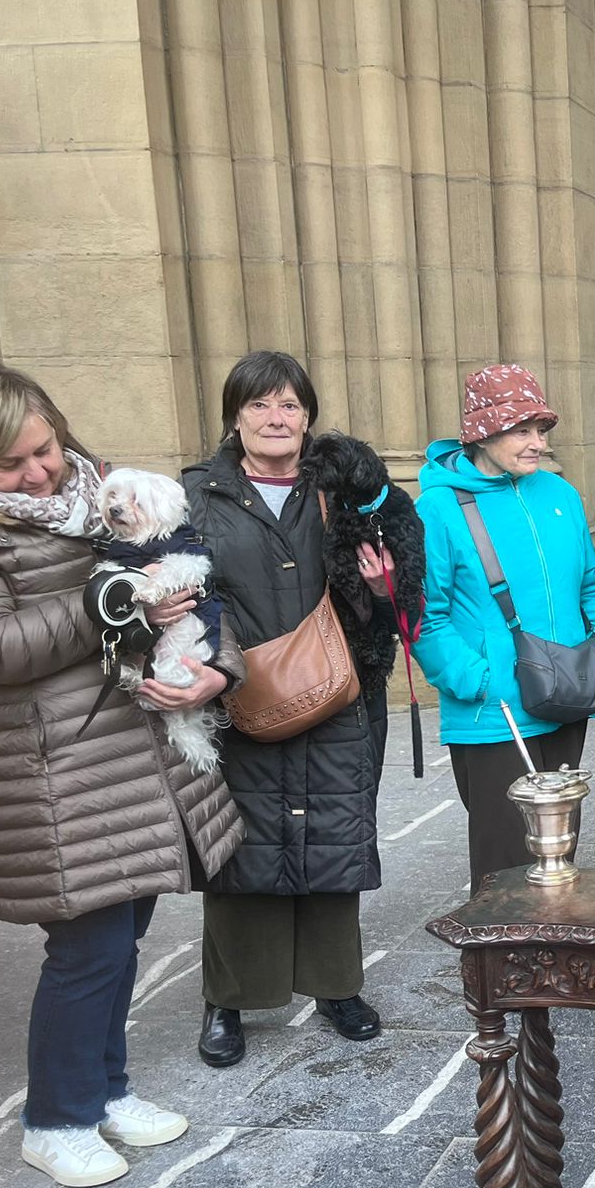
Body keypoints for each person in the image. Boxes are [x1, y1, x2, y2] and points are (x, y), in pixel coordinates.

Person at [0, 362, 243, 1187]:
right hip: (53, 772)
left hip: (134, 761)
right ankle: (54, 1118)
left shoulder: (100, 492)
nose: (40, 472)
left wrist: (213, 671)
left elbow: (191, 588)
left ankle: (104, 1091)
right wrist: (110, 599)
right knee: (85, 949)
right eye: (10, 466)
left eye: (44, 449)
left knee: (122, 941)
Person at [184, 351, 396, 1066]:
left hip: (335, 692)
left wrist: (382, 585)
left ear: (308, 417)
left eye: (290, 406)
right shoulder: (198, 496)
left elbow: (381, 589)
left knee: (335, 839)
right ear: (234, 417)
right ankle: (229, 999)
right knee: (241, 852)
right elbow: (181, 595)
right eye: (259, 405)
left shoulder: (340, 491)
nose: (276, 419)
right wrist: (217, 660)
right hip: (235, 695)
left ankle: (336, 987)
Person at [413, 363, 595, 884]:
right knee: (506, 866)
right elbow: (422, 615)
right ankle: (499, 966)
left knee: (558, 856)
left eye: (541, 430)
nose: (537, 444)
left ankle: (554, 964)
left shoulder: (559, 494)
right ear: (483, 433)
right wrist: (476, 680)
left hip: (568, 694)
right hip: (495, 715)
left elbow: (591, 581)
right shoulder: (437, 507)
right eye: (521, 430)